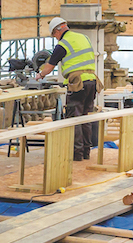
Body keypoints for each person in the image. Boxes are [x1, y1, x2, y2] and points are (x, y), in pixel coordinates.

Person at [37, 16, 100, 160]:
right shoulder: (84, 38)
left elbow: (49, 66)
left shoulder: (63, 44)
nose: (55, 38)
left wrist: (39, 75)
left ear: (57, 31)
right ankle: (86, 152)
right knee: (85, 117)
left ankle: (76, 154)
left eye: (54, 35)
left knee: (74, 118)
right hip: (91, 81)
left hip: (78, 83)